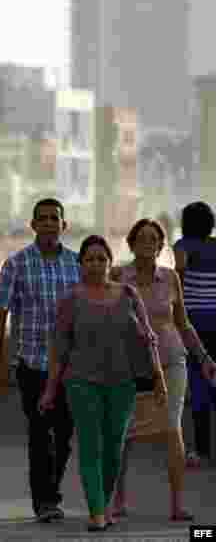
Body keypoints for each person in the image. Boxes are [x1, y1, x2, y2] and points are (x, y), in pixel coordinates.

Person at [39, 235, 166, 531]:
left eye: (101, 258)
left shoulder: (128, 295)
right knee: (90, 446)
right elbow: (59, 347)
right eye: (89, 259)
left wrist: (158, 377)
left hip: (123, 383)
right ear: (80, 264)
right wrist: (50, 389)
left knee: (113, 448)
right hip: (82, 382)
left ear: (110, 262)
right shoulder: (70, 298)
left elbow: (149, 340)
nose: (96, 264)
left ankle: (104, 505)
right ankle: (97, 511)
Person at [113, 218, 216, 521]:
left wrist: (205, 358)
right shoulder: (118, 276)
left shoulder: (171, 278)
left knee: (173, 429)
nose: (149, 243)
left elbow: (182, 323)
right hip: (130, 363)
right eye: (142, 238)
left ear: (161, 245)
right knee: (124, 432)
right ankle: (117, 501)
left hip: (172, 359)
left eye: (155, 239)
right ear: (131, 244)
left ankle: (176, 505)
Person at [0, 198, 80, 523]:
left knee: (65, 436)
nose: (48, 224)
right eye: (42, 219)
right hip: (32, 366)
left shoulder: (77, 264)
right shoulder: (16, 264)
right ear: (33, 225)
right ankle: (46, 501)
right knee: (40, 435)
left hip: (71, 368)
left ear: (63, 225)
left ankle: (50, 490)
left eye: (54, 218)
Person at [173, 201, 216, 467]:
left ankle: (201, 450)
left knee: (199, 381)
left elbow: (178, 275)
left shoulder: (182, 246)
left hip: (194, 321)